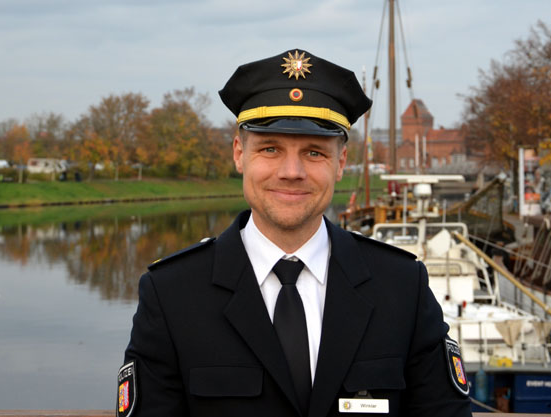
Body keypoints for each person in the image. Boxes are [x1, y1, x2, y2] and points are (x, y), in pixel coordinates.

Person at [117, 49, 472, 417]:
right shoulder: (172, 293)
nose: (291, 171)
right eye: (270, 149)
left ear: (341, 163)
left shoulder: (401, 286)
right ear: (240, 154)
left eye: (314, 153)